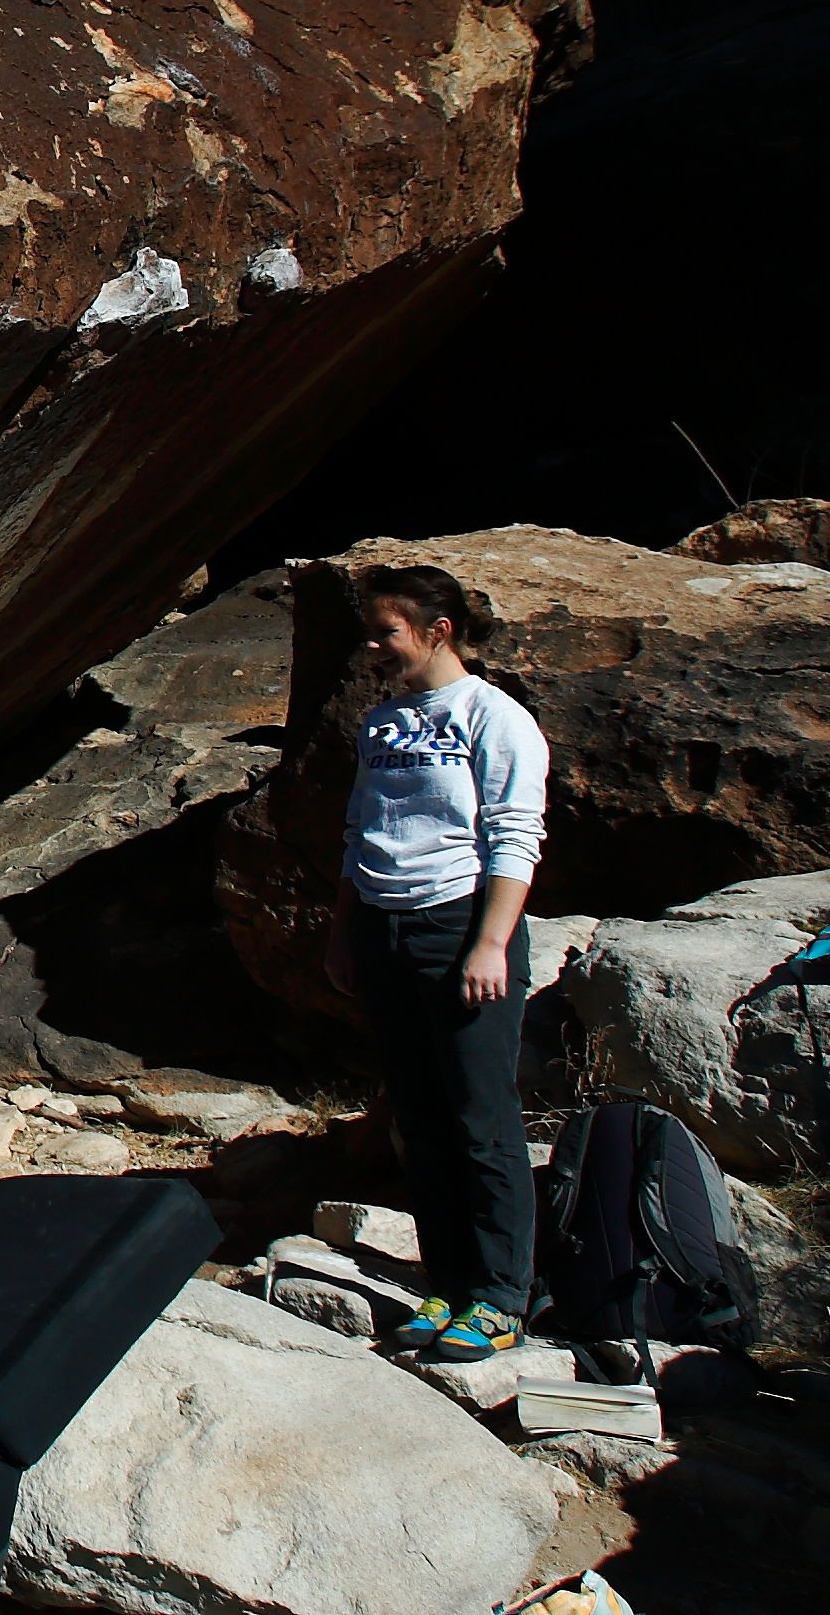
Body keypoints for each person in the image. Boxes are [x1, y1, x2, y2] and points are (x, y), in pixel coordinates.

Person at [323, 564, 548, 1362]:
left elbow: (515, 835)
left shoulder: (495, 719)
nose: (375, 648)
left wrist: (491, 942)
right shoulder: (384, 722)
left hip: (457, 927)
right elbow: (360, 831)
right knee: (417, 1117)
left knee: (480, 1118)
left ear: (436, 631)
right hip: (383, 924)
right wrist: (345, 930)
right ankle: (447, 1284)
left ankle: (500, 1295)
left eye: (387, 633)